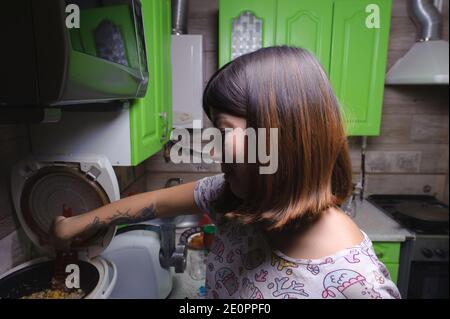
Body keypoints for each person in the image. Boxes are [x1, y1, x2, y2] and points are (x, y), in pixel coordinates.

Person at [53, 46, 401, 299]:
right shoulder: (234, 198)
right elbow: (158, 202)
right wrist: (77, 224)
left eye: (224, 131)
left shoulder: (358, 284)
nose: (214, 149)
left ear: (283, 139)